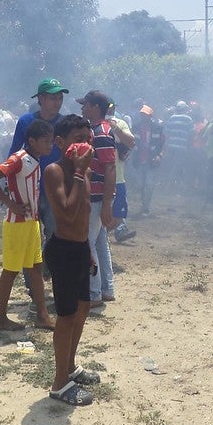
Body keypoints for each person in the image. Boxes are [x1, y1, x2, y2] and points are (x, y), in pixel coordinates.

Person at [42, 114, 98, 406]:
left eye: (88, 140)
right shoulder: (55, 170)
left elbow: (85, 214)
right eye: (78, 140)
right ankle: (59, 383)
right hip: (62, 250)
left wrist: (87, 248)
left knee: (83, 308)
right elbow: (65, 213)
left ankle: (70, 366)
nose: (85, 145)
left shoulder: (83, 172)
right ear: (60, 142)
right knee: (65, 317)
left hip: (78, 249)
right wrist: (78, 172)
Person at [0, 119, 55, 331]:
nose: (49, 146)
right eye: (45, 141)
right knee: (11, 270)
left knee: (35, 268)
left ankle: (42, 315)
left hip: (31, 222)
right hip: (17, 224)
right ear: (31, 140)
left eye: (51, 142)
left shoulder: (35, 159)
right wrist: (10, 203)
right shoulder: (19, 158)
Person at [7, 78, 69, 304]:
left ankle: (51, 275)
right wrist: (10, 185)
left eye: (60, 98)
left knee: (55, 236)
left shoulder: (64, 123)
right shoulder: (26, 122)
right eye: (52, 97)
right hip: (29, 191)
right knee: (28, 239)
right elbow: (15, 152)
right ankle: (33, 287)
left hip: (56, 190)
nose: (57, 102)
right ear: (40, 99)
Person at [77, 90, 118, 304]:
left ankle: (93, 293)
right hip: (97, 196)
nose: (82, 108)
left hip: (95, 196)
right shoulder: (96, 130)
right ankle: (106, 289)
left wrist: (107, 203)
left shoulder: (101, 132)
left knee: (87, 243)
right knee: (101, 242)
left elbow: (110, 167)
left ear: (95, 107)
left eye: (85, 105)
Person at [106, 101, 136, 242]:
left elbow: (131, 142)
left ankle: (106, 233)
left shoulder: (120, 123)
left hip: (117, 177)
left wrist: (116, 129)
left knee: (117, 216)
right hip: (98, 179)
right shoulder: (88, 124)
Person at [131, 105, 165, 215]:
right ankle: (144, 204)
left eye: (145, 115)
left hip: (152, 161)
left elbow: (163, 144)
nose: (143, 117)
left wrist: (160, 155)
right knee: (141, 184)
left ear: (150, 116)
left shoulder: (158, 128)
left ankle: (146, 207)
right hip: (139, 160)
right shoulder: (135, 127)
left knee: (149, 185)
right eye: (142, 114)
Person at [164, 100, 194, 187]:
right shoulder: (188, 119)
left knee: (172, 165)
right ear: (185, 109)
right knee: (179, 165)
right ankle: (171, 185)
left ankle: (172, 184)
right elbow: (192, 134)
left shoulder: (172, 118)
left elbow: (167, 132)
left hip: (171, 146)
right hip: (182, 146)